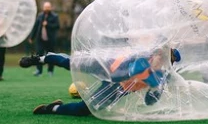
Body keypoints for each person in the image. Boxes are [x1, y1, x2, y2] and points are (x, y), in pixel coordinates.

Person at [19, 48, 181, 116]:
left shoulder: (159, 77)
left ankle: (52, 108)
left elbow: (149, 101)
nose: (162, 61)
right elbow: (129, 68)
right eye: (163, 56)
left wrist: (157, 89)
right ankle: (40, 58)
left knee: (85, 110)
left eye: (167, 61)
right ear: (157, 53)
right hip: (105, 66)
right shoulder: (144, 56)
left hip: (115, 87)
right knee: (71, 63)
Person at [28, 1, 60, 77]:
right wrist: (32, 37)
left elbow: (57, 26)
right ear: (43, 8)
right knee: (39, 54)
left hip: (50, 40)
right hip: (40, 39)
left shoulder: (54, 16)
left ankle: (50, 71)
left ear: (50, 8)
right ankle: (39, 71)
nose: (47, 9)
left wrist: (48, 24)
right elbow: (35, 27)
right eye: (45, 7)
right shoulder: (40, 16)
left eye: (48, 7)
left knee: (51, 55)